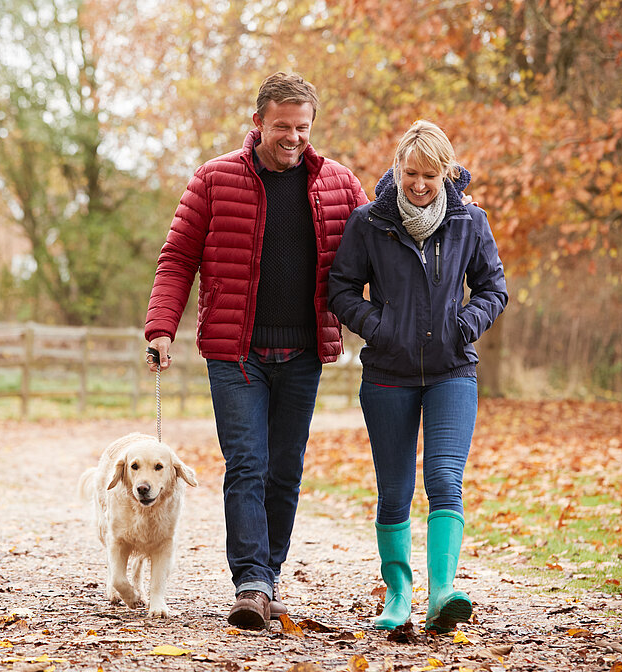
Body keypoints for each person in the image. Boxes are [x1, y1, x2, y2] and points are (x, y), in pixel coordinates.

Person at [144, 72, 368, 629]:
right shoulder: (214, 180)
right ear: (258, 122)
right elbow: (177, 259)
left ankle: (268, 575)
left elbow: (379, 245)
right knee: (247, 463)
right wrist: (161, 328)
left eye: (303, 128)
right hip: (235, 353)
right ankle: (250, 581)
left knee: (285, 469)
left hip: (303, 355)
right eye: (282, 127)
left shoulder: (339, 185)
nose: (292, 137)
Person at [328, 120, 508, 633]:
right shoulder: (370, 223)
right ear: (398, 170)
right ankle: (399, 593)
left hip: (453, 371)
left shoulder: (469, 222)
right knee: (394, 489)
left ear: (446, 173)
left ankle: (443, 591)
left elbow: (494, 288)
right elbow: (340, 289)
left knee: (446, 479)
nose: (420, 184)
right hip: (388, 374)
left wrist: (463, 325)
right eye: (411, 173)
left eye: (430, 175)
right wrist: (377, 327)